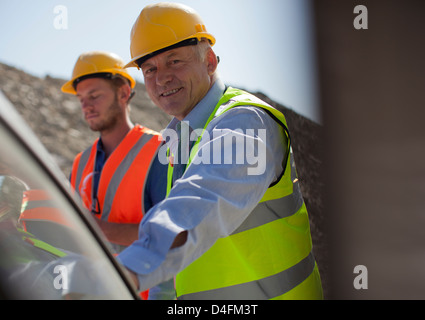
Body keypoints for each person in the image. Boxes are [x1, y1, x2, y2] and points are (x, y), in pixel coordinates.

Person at [118, 2, 323, 300]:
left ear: (210, 61)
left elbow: (200, 204)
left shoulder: (245, 122)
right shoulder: (179, 137)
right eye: (150, 68)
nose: (161, 77)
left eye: (174, 61)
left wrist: (123, 274)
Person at [61, 51, 174, 299]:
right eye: (81, 99)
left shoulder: (159, 151)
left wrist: (97, 229)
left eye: (94, 96)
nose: (86, 106)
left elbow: (173, 235)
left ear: (123, 93)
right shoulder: (81, 163)